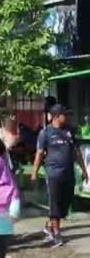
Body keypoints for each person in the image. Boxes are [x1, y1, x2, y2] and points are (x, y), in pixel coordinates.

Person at [32, 104, 88, 247]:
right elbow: (39, 153)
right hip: (53, 173)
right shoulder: (46, 133)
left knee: (65, 202)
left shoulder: (69, 131)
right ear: (56, 116)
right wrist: (34, 173)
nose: (67, 117)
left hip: (68, 173)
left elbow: (76, 152)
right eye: (65, 114)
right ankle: (56, 234)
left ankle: (49, 226)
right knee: (55, 203)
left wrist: (84, 170)